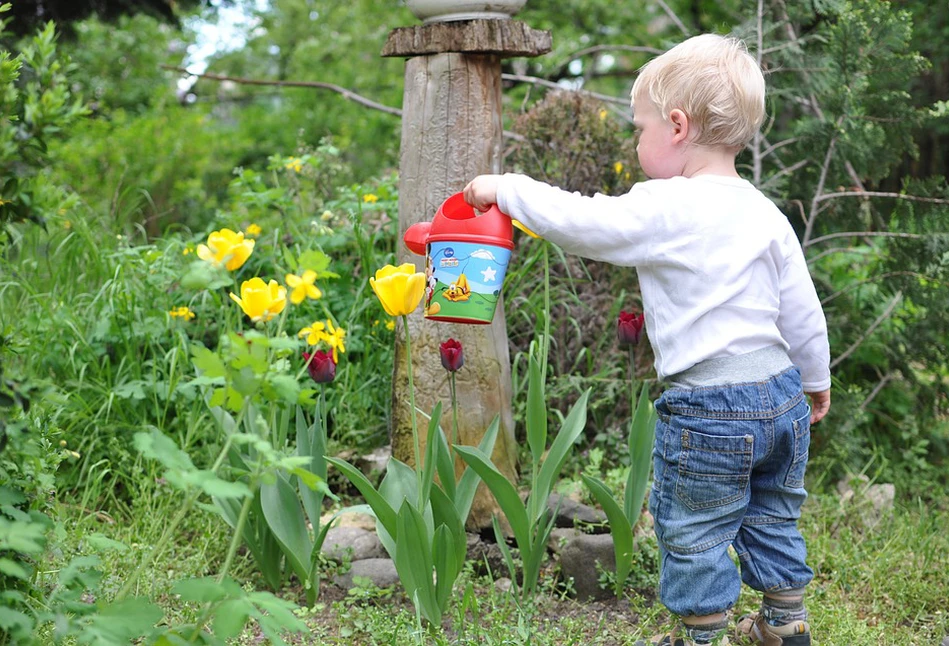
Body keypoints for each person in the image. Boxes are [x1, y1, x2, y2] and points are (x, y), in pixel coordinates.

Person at [464, 33, 831, 646]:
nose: (636, 143)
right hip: (781, 394)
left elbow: (582, 223)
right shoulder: (766, 212)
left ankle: (702, 636)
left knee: (694, 527)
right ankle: (784, 620)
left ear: (678, 127)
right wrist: (815, 381)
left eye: (640, 128)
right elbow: (803, 312)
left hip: (710, 407)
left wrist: (505, 190)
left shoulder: (667, 205)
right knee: (772, 514)